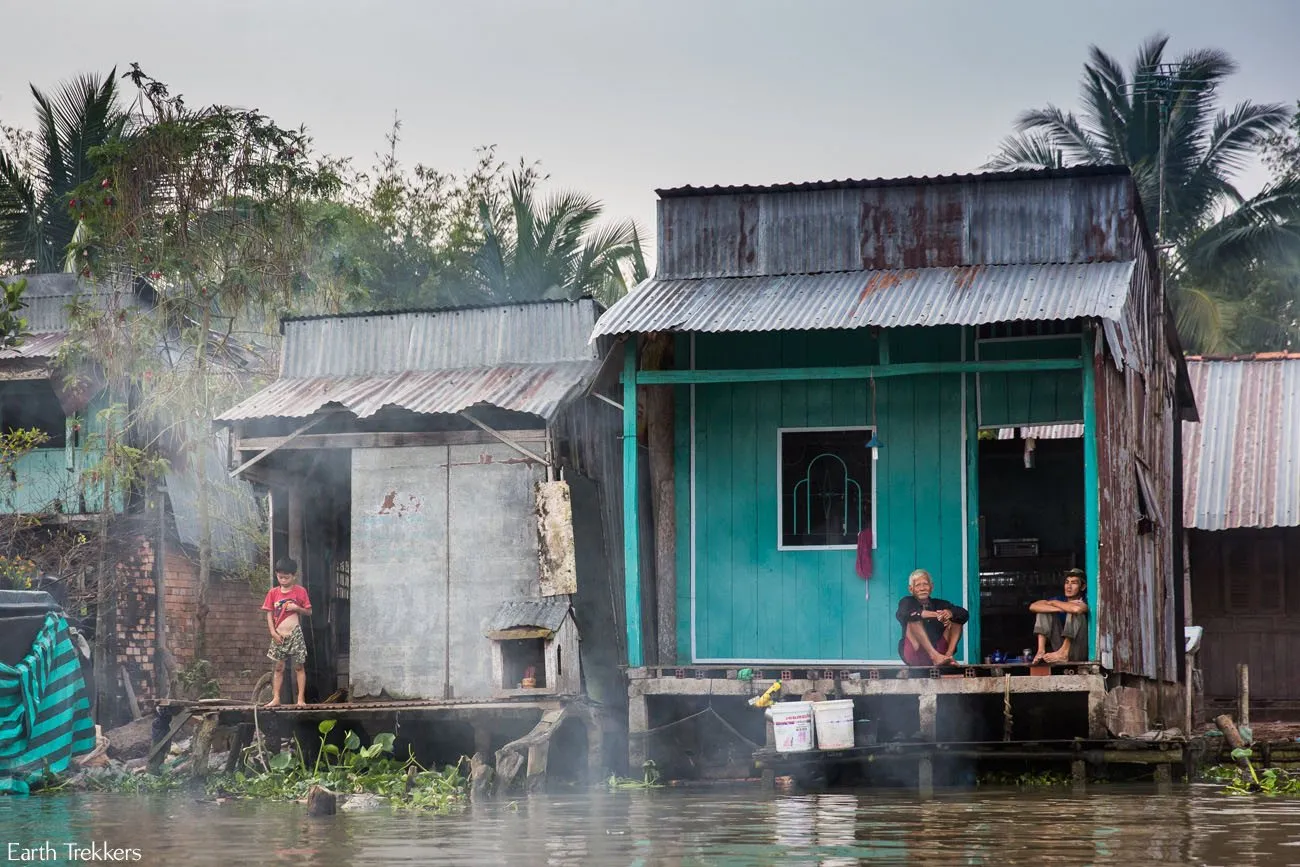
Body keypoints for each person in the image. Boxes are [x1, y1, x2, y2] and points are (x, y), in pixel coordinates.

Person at [261, 558, 312, 706]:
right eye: (280, 577)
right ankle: (276, 698)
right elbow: (269, 612)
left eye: (286, 577)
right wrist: (273, 632)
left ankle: (301, 699)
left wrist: (297, 609)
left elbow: (309, 611)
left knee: (299, 666)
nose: (283, 580)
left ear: (294, 576)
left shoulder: (300, 591)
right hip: (279, 634)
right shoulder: (273, 593)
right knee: (278, 667)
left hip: (294, 633)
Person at [896, 569, 968, 666]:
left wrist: (949, 613)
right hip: (916, 654)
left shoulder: (940, 604)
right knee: (913, 620)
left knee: (956, 619)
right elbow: (903, 614)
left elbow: (964, 614)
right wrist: (937, 615)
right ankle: (935, 656)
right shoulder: (907, 602)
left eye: (925, 584)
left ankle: (948, 657)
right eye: (917, 585)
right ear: (911, 589)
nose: (922, 588)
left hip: (940, 651)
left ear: (931, 587)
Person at [1029, 568, 1090, 664]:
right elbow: (1033, 606)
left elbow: (1076, 609)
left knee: (1073, 612)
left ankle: (1064, 653)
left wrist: (1054, 604)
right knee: (1043, 611)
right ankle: (1040, 651)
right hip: (1058, 648)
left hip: (1079, 650)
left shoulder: (1085, 600)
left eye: (1074, 583)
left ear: (1082, 587)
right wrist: (1058, 605)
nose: (1069, 586)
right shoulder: (1059, 599)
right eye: (1067, 582)